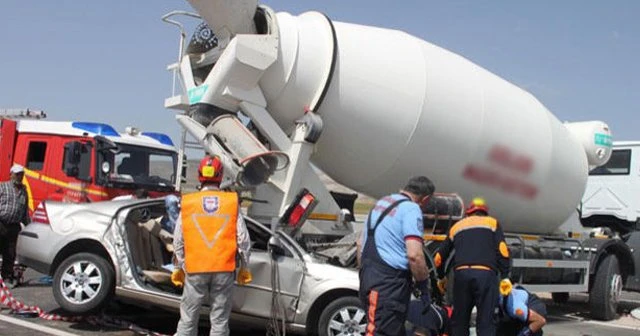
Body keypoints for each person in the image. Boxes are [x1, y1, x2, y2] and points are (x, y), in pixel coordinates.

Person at [172, 155, 252, 336]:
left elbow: (178, 239)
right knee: (219, 321)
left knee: (188, 318)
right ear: (221, 175)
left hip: (195, 268)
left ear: (200, 175)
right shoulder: (231, 202)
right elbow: (243, 239)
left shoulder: (189, 202)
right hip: (224, 269)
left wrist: (179, 266)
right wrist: (245, 267)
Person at [357, 176, 435, 336]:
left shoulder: (382, 203)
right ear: (425, 199)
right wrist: (423, 285)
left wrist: (365, 275)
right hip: (389, 285)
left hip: (368, 277)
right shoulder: (412, 209)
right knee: (380, 332)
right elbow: (415, 255)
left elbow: (360, 244)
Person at [434, 197, 511, 336]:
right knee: (486, 321)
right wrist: (505, 276)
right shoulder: (493, 223)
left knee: (460, 320)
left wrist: (441, 277)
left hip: (461, 276)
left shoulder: (457, 226)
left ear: (468, 212)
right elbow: (502, 250)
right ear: (485, 212)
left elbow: (439, 257)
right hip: (485, 275)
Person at [0, 164, 30, 288]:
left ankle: (6, 277)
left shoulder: (24, 191)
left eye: (21, 174)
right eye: (17, 174)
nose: (19, 176)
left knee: (10, 253)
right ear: (11, 174)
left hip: (14, 227)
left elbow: (24, 212)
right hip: (1, 223)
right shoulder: (3, 187)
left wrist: (30, 227)